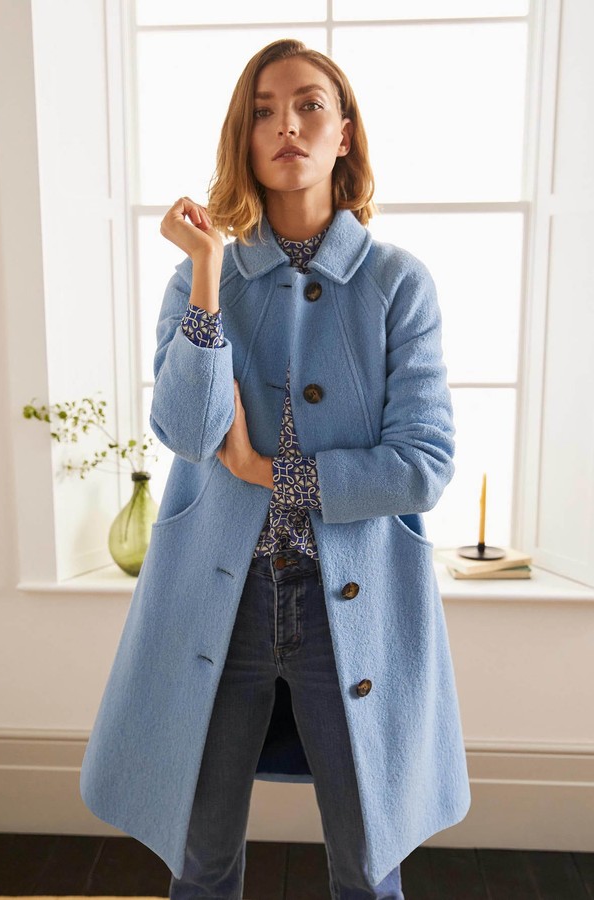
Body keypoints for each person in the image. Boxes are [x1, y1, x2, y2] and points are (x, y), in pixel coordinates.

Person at [79, 38, 471, 900]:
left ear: (344, 134)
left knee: (368, 868)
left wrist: (273, 473)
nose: (286, 125)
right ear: (244, 139)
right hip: (220, 600)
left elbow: (423, 465)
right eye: (263, 111)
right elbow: (188, 431)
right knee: (200, 861)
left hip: (350, 605)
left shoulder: (398, 283)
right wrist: (207, 269)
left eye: (308, 105)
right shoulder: (201, 278)